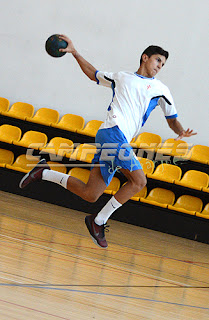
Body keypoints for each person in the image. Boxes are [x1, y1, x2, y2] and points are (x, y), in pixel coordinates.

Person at [19, 35, 197, 248]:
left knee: (90, 194)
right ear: (145, 57)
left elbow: (172, 120)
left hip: (117, 140)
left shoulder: (161, 90)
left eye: (163, 64)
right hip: (112, 133)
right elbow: (93, 73)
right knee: (139, 181)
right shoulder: (122, 77)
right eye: (158, 60)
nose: (160, 66)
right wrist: (75, 52)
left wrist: (181, 131)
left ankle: (43, 172)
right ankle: (98, 221)